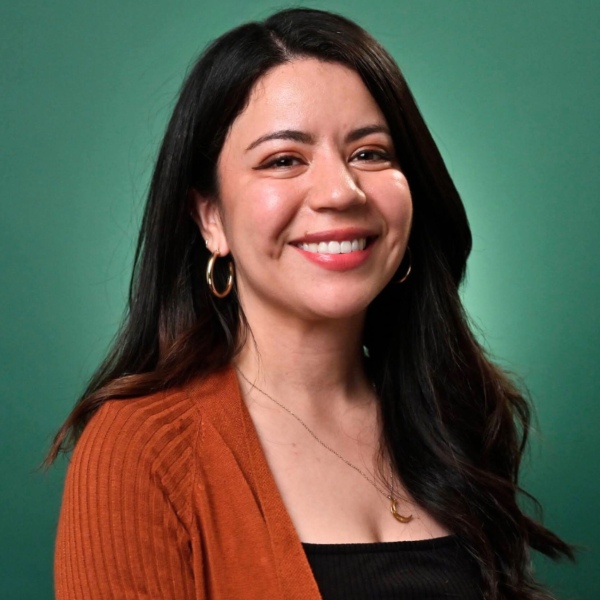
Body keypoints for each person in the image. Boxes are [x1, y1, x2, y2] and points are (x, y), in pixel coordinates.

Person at [48, 8, 573, 599]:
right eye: (284, 160)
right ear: (210, 218)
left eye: (370, 153)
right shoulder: (140, 453)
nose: (341, 191)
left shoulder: (454, 416)